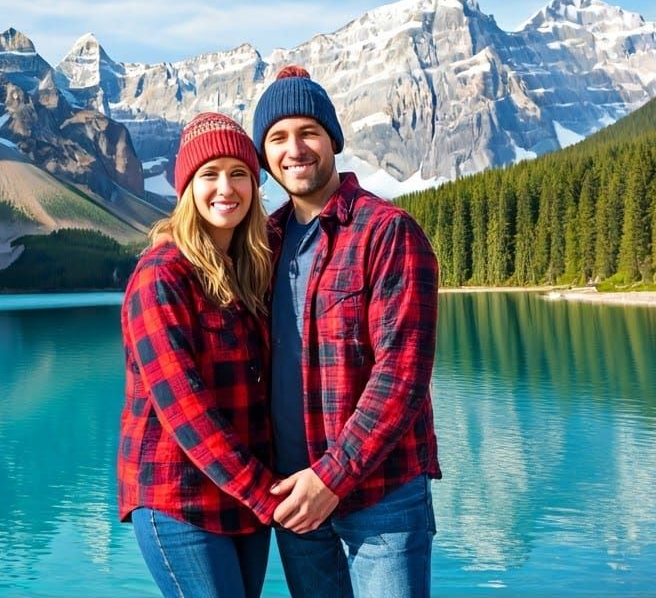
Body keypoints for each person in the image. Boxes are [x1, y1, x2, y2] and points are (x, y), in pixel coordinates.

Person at [252, 65, 441, 598]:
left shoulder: (388, 233)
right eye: (277, 137)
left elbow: (401, 378)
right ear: (265, 156)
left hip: (382, 499)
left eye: (308, 131)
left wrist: (331, 478)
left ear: (332, 138)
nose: (295, 149)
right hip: (295, 497)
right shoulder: (262, 245)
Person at [118, 112, 283, 598]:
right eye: (208, 175)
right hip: (177, 494)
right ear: (187, 188)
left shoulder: (248, 270)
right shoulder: (162, 274)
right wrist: (264, 492)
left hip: (242, 496)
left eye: (239, 173)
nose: (225, 188)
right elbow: (182, 407)